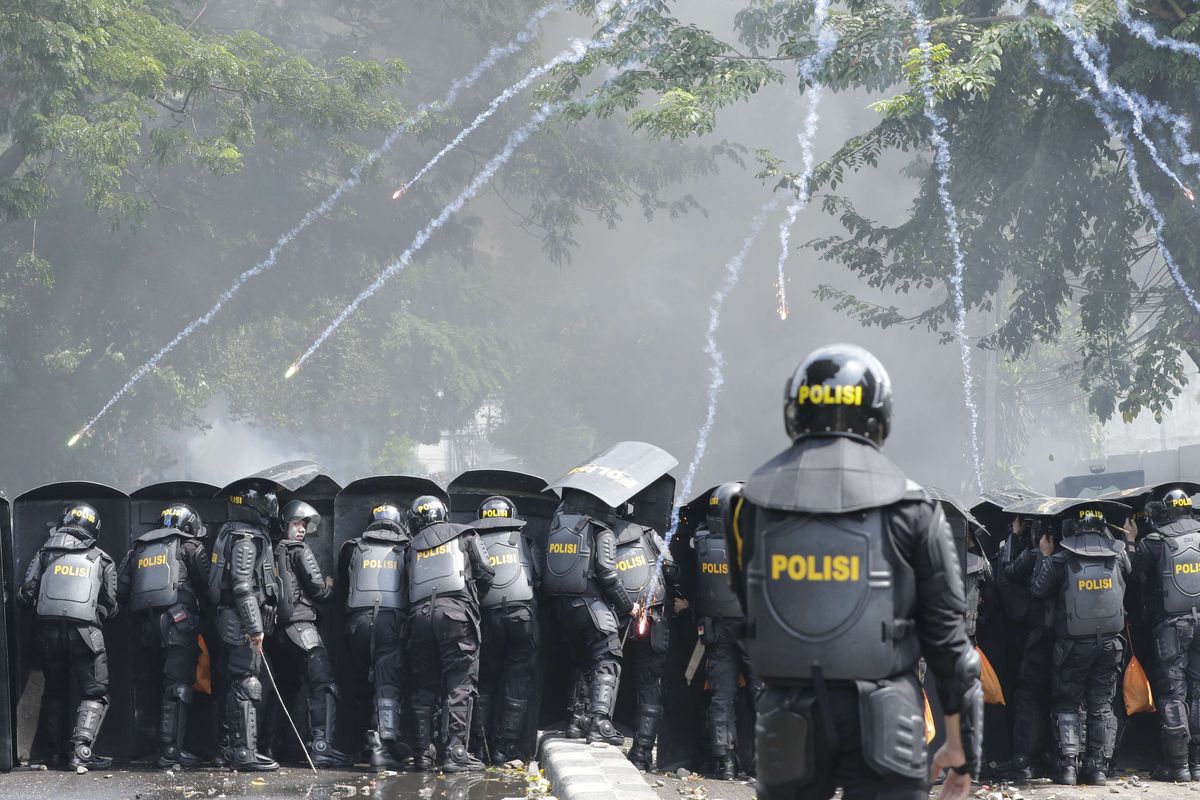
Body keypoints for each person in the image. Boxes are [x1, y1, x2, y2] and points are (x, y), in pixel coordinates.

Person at [723, 344, 981, 800]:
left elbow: (751, 602)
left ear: (795, 411)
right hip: (889, 721)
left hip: (785, 719)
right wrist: (961, 748)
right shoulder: (913, 507)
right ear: (879, 417)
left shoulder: (746, 506)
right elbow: (950, 644)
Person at [1030, 504, 1130, 786]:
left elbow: (1038, 590)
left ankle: (1068, 768)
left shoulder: (1061, 559)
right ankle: (1098, 770)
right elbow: (1130, 578)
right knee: (1101, 705)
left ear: (1073, 527)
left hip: (1072, 646)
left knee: (1067, 704)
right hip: (1110, 644)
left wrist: (1045, 556)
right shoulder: (1117, 557)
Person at [18, 503, 119, 771]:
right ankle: (81, 753)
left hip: (47, 631)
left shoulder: (45, 552)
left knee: (55, 691)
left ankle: (53, 754)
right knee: (95, 692)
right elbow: (111, 607)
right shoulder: (102, 558)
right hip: (86, 632)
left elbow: (25, 594)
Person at [405, 495, 495, 772]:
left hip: (418, 617)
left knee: (425, 685)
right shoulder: (465, 534)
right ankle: (456, 751)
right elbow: (487, 573)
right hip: (456, 614)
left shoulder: (411, 547)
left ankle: (422, 754)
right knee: (460, 682)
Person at [117, 503, 209, 769]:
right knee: (177, 687)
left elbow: (121, 591)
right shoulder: (190, 546)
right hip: (179, 623)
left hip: (146, 627)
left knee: (157, 685)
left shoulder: (139, 548)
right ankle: (171, 752)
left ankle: (159, 745)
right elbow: (209, 587)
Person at [542, 487, 634, 746]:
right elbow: (608, 574)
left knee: (582, 662)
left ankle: (577, 719)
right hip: (592, 606)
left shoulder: (557, 527)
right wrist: (628, 606)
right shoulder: (600, 530)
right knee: (608, 657)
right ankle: (600, 722)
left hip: (563, 607)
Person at [264, 500, 352, 767]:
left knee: (284, 689)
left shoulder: (267, 550)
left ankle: (270, 748)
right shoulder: (300, 550)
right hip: (302, 628)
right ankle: (322, 746)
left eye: (303, 525)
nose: (301, 529)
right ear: (285, 525)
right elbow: (319, 592)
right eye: (296, 523)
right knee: (323, 683)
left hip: (275, 633)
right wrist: (329, 587)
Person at [1126, 486, 1200, 781]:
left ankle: (1179, 766)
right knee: (1197, 693)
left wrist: (1131, 541)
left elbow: (1131, 574)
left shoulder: (1155, 541)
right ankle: (1197, 764)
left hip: (1170, 626)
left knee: (1173, 695)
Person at [208, 485, 281, 771]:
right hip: (240, 623)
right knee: (247, 683)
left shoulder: (234, 532)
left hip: (233, 620)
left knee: (235, 683)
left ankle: (229, 749)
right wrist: (255, 628)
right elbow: (241, 585)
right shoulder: (246, 539)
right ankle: (244, 752)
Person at [693, 482, 759, 780]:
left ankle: (725, 763)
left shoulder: (702, 541)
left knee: (722, 697)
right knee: (762, 695)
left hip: (716, 628)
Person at [340, 501, 411, 771]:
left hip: (357, 624)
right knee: (388, 685)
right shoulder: (405, 548)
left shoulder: (352, 547)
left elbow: (343, 586)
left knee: (359, 683)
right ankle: (383, 748)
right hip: (391, 623)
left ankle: (359, 746)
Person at [469, 496, 540, 765]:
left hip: (487, 617)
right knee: (517, 681)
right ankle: (506, 747)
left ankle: (479, 746)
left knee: (485, 682)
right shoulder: (525, 541)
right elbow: (540, 577)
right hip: (523, 615)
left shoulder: (472, 541)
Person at [612, 505, 678, 771]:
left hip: (614, 618)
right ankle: (641, 754)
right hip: (651, 618)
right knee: (649, 686)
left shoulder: (601, 535)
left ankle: (599, 735)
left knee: (603, 674)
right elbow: (672, 568)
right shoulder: (649, 535)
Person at [997, 515, 1055, 780]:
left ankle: (1023, 759)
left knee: (1028, 695)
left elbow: (1006, 573)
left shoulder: (1034, 556)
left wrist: (1014, 537)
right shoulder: (1069, 553)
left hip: (1034, 635)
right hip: (1064, 635)